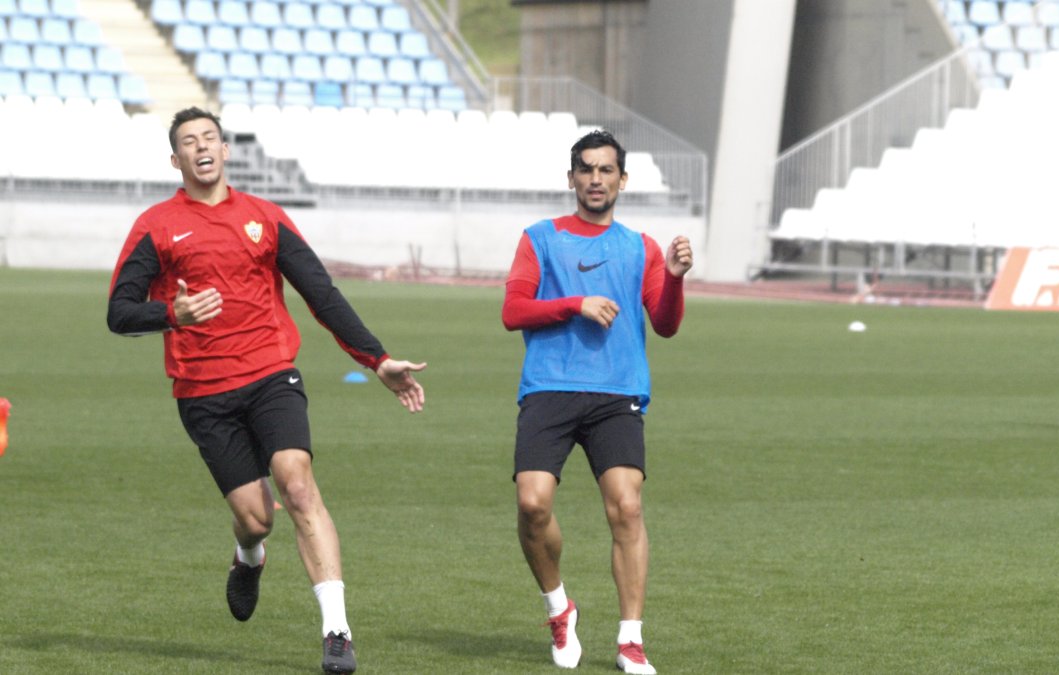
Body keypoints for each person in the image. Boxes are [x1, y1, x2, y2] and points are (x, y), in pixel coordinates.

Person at [107, 107, 426, 674]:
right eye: (188, 141)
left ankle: (336, 632)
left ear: (226, 150)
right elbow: (118, 312)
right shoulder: (156, 226)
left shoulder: (265, 218)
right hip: (202, 391)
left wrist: (376, 360)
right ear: (174, 159)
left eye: (209, 137)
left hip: (271, 374)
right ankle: (248, 555)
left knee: (298, 485)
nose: (201, 147)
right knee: (256, 518)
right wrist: (171, 313)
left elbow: (320, 294)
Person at [502, 130, 692, 674]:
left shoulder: (641, 248)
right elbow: (513, 311)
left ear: (622, 180)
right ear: (571, 179)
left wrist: (674, 281)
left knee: (627, 507)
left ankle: (631, 639)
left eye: (606, 170)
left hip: (617, 391)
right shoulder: (540, 237)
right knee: (532, 504)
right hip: (549, 387)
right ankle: (559, 607)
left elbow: (666, 324)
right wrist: (573, 304)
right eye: (585, 169)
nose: (595, 179)